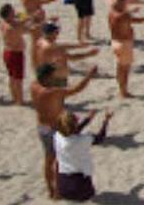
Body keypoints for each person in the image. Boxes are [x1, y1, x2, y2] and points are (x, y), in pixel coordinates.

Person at [31, 64, 97, 200]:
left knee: (48, 160)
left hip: (41, 127)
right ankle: (57, 192)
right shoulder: (52, 92)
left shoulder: (34, 86)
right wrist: (89, 75)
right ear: (48, 77)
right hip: (54, 128)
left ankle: (50, 189)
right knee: (59, 162)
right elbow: (77, 89)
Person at [108, 0, 144, 98]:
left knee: (119, 67)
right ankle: (124, 92)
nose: (126, 6)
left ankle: (121, 89)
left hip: (115, 42)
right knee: (125, 69)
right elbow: (139, 20)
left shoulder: (111, 13)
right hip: (124, 44)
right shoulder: (124, 15)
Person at [54, 109, 113, 201]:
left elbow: (71, 131)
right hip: (80, 185)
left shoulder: (57, 136)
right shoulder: (83, 140)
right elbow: (100, 138)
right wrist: (106, 121)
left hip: (62, 184)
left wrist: (88, 119)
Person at [35, 21, 99, 88]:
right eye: (56, 32)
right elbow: (71, 57)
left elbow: (61, 46)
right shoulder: (51, 48)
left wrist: (78, 46)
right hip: (55, 79)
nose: (58, 34)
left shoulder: (41, 41)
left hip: (46, 75)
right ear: (51, 33)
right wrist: (88, 54)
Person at [0, 4, 32, 104]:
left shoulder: (4, 23)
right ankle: (20, 100)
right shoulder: (11, 28)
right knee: (18, 79)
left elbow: (18, 21)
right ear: (8, 14)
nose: (15, 12)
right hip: (15, 54)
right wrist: (31, 19)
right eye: (12, 11)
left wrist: (27, 17)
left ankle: (15, 97)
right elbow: (26, 30)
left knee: (12, 77)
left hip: (7, 52)